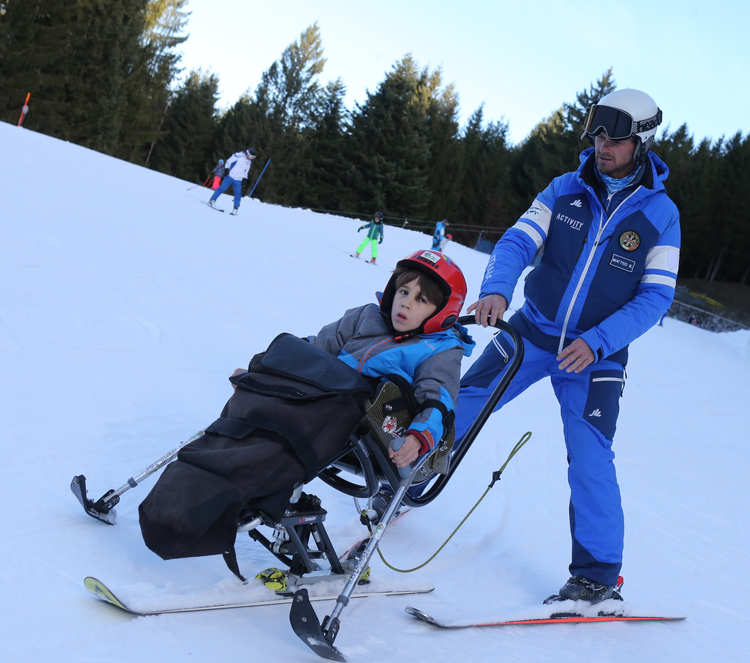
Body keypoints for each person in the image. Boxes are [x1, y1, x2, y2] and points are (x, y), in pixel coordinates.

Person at [456, 88, 680, 605]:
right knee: (461, 401)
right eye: (597, 132)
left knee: (590, 455)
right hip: (533, 330)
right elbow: (518, 240)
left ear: (641, 141)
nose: (602, 144)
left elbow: (656, 297)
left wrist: (599, 343)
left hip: (594, 355)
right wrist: (497, 287)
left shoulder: (661, 216)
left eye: (615, 136)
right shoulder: (565, 189)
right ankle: (401, 482)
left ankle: (597, 576)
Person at [138, 250, 474, 569]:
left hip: (363, 428)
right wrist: (262, 375)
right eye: (403, 291)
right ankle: (199, 484)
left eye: (421, 299)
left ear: (442, 312)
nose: (405, 303)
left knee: (277, 439)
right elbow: (314, 348)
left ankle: (237, 495)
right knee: (250, 417)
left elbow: (438, 400)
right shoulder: (366, 317)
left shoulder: (440, 349)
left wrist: (419, 436)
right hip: (313, 402)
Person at [208, 148, 256, 215]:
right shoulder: (238, 155)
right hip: (230, 176)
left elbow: (246, 171)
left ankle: (235, 208)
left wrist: (245, 178)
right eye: (251, 157)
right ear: (248, 154)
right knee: (222, 188)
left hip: (238, 179)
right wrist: (227, 168)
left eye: (253, 158)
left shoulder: (249, 162)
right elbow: (228, 161)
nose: (251, 158)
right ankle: (212, 200)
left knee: (238, 193)